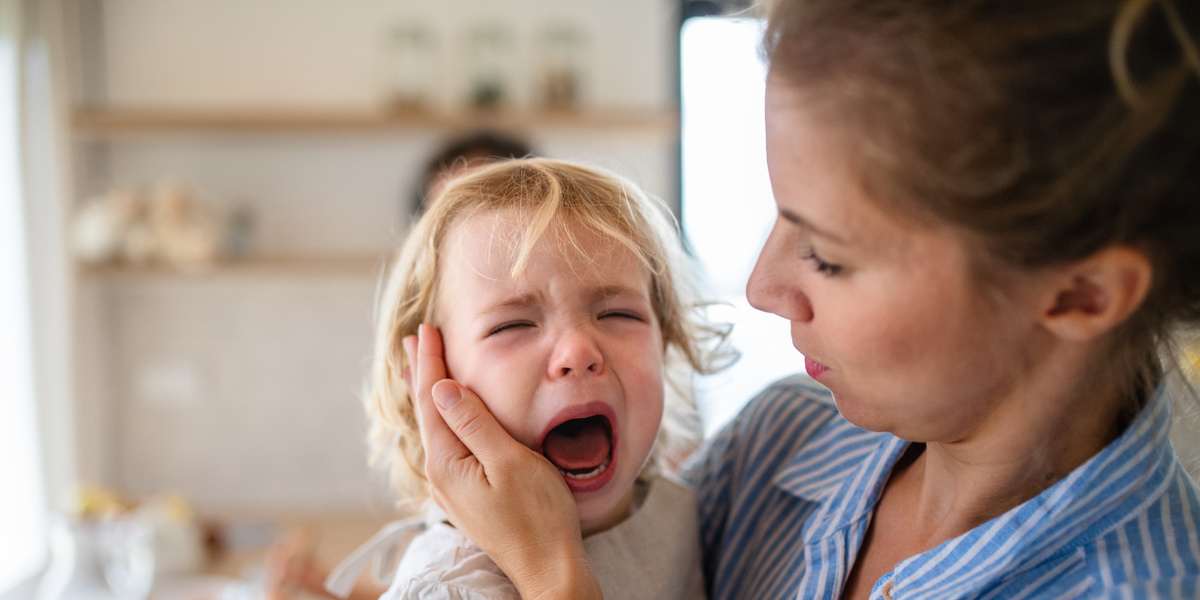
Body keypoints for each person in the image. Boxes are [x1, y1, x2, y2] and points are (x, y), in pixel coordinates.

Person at [404, 0, 1200, 598]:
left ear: (1080, 293)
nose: (762, 285)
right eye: (779, 216)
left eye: (828, 254)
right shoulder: (783, 438)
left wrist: (553, 575)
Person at [325, 158, 723, 600]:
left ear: (664, 346)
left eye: (618, 314)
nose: (578, 353)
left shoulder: (684, 511)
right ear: (430, 378)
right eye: (512, 326)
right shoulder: (448, 587)